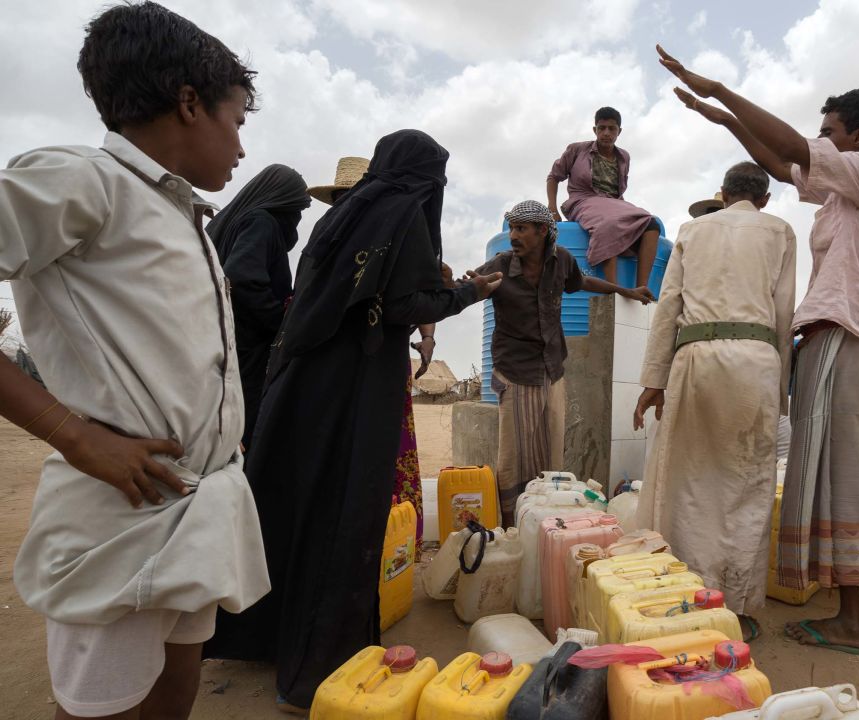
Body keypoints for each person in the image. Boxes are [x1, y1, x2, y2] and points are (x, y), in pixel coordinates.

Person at [0, 4, 270, 718]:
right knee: (106, 708)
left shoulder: (184, 215)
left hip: (196, 507)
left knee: (172, 691)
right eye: (237, 120)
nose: (241, 146)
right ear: (189, 103)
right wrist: (74, 434)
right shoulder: (80, 180)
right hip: (120, 516)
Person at [204, 130, 501, 711]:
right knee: (344, 513)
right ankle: (317, 668)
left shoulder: (341, 222)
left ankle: (267, 639)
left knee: (296, 504)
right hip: (356, 390)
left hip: (302, 385)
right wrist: (469, 292)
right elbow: (401, 309)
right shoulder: (405, 216)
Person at [658, 44, 859, 654]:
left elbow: (789, 150)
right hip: (830, 342)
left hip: (841, 338)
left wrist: (721, 90)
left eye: (829, 132)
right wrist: (727, 122)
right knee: (828, 478)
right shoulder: (843, 192)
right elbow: (783, 165)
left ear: (857, 135)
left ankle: (857, 621)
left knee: (839, 481)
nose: (819, 141)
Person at [633, 161, 796, 640]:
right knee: (746, 488)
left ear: (723, 194)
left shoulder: (692, 230)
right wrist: (779, 389)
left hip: (695, 358)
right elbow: (783, 311)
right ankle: (736, 608)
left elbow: (670, 305)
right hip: (756, 360)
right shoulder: (780, 231)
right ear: (764, 198)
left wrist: (653, 379)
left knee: (685, 481)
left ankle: (685, 595)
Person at [472, 200, 650, 525]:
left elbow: (583, 283)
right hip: (514, 372)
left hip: (552, 370)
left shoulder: (561, 261)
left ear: (542, 232)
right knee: (514, 456)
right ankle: (513, 525)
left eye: (521, 228)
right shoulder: (500, 265)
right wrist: (452, 284)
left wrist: (626, 290)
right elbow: (467, 289)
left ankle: (543, 519)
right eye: (511, 228)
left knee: (550, 449)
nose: (514, 235)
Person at [308, 156, 436, 549]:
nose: (348, 203)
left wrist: (428, 338)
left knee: (388, 447)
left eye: (354, 195)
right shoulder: (326, 236)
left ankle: (393, 539)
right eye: (342, 197)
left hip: (381, 363)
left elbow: (422, 287)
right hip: (338, 365)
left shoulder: (395, 233)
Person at [207, 164, 311, 452]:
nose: (298, 219)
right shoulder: (261, 222)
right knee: (246, 432)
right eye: (297, 210)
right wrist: (280, 322)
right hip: (246, 347)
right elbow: (241, 278)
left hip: (221, 342)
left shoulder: (230, 222)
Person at [546, 107, 658, 298]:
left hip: (614, 204)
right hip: (583, 200)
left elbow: (618, 192)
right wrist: (552, 208)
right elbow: (553, 177)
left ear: (619, 131)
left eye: (612, 129)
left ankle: (642, 289)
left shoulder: (624, 157)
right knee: (609, 224)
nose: (606, 133)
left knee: (651, 222)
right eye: (602, 128)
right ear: (595, 130)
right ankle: (614, 290)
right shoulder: (577, 150)